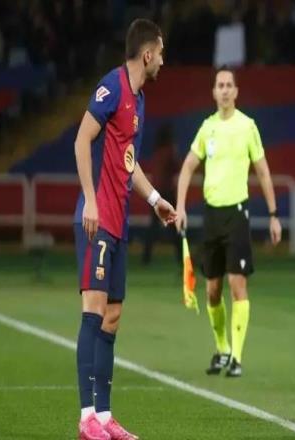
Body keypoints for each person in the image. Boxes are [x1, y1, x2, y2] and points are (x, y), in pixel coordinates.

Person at [73, 19, 176, 440]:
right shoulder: (112, 87)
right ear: (147, 54)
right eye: (161, 53)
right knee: (94, 312)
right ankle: (86, 418)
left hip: (119, 222)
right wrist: (91, 200)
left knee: (113, 317)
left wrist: (155, 201)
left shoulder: (140, 100)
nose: (163, 61)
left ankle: (104, 415)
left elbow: (128, 163)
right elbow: (82, 140)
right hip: (97, 219)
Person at [175, 66, 282, 378]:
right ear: (214, 92)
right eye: (219, 85)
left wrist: (273, 215)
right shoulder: (207, 128)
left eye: (228, 85)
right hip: (212, 215)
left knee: (238, 284)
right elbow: (188, 166)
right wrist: (180, 206)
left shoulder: (247, 126)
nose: (224, 90)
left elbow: (263, 171)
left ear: (236, 91)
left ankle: (237, 356)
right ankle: (222, 349)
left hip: (236, 214)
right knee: (212, 289)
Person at [142, 123, 182, 266]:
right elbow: (177, 167)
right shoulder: (170, 151)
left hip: (155, 193)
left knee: (153, 227)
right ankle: (181, 257)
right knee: (174, 225)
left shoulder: (157, 152)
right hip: (166, 193)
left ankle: (146, 257)